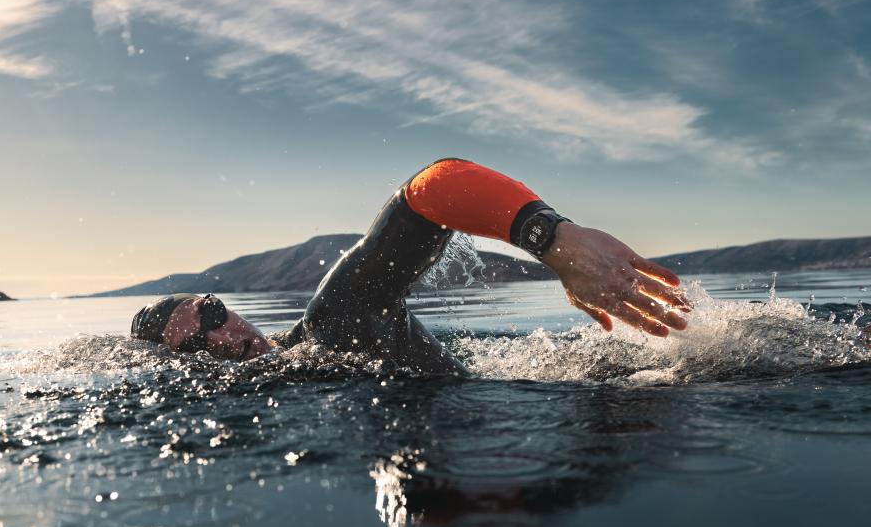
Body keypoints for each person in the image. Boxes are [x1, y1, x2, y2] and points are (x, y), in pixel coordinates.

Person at [131, 158, 691, 375]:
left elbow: (434, 189)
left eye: (212, 313)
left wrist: (554, 239)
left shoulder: (332, 323)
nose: (222, 339)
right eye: (197, 348)